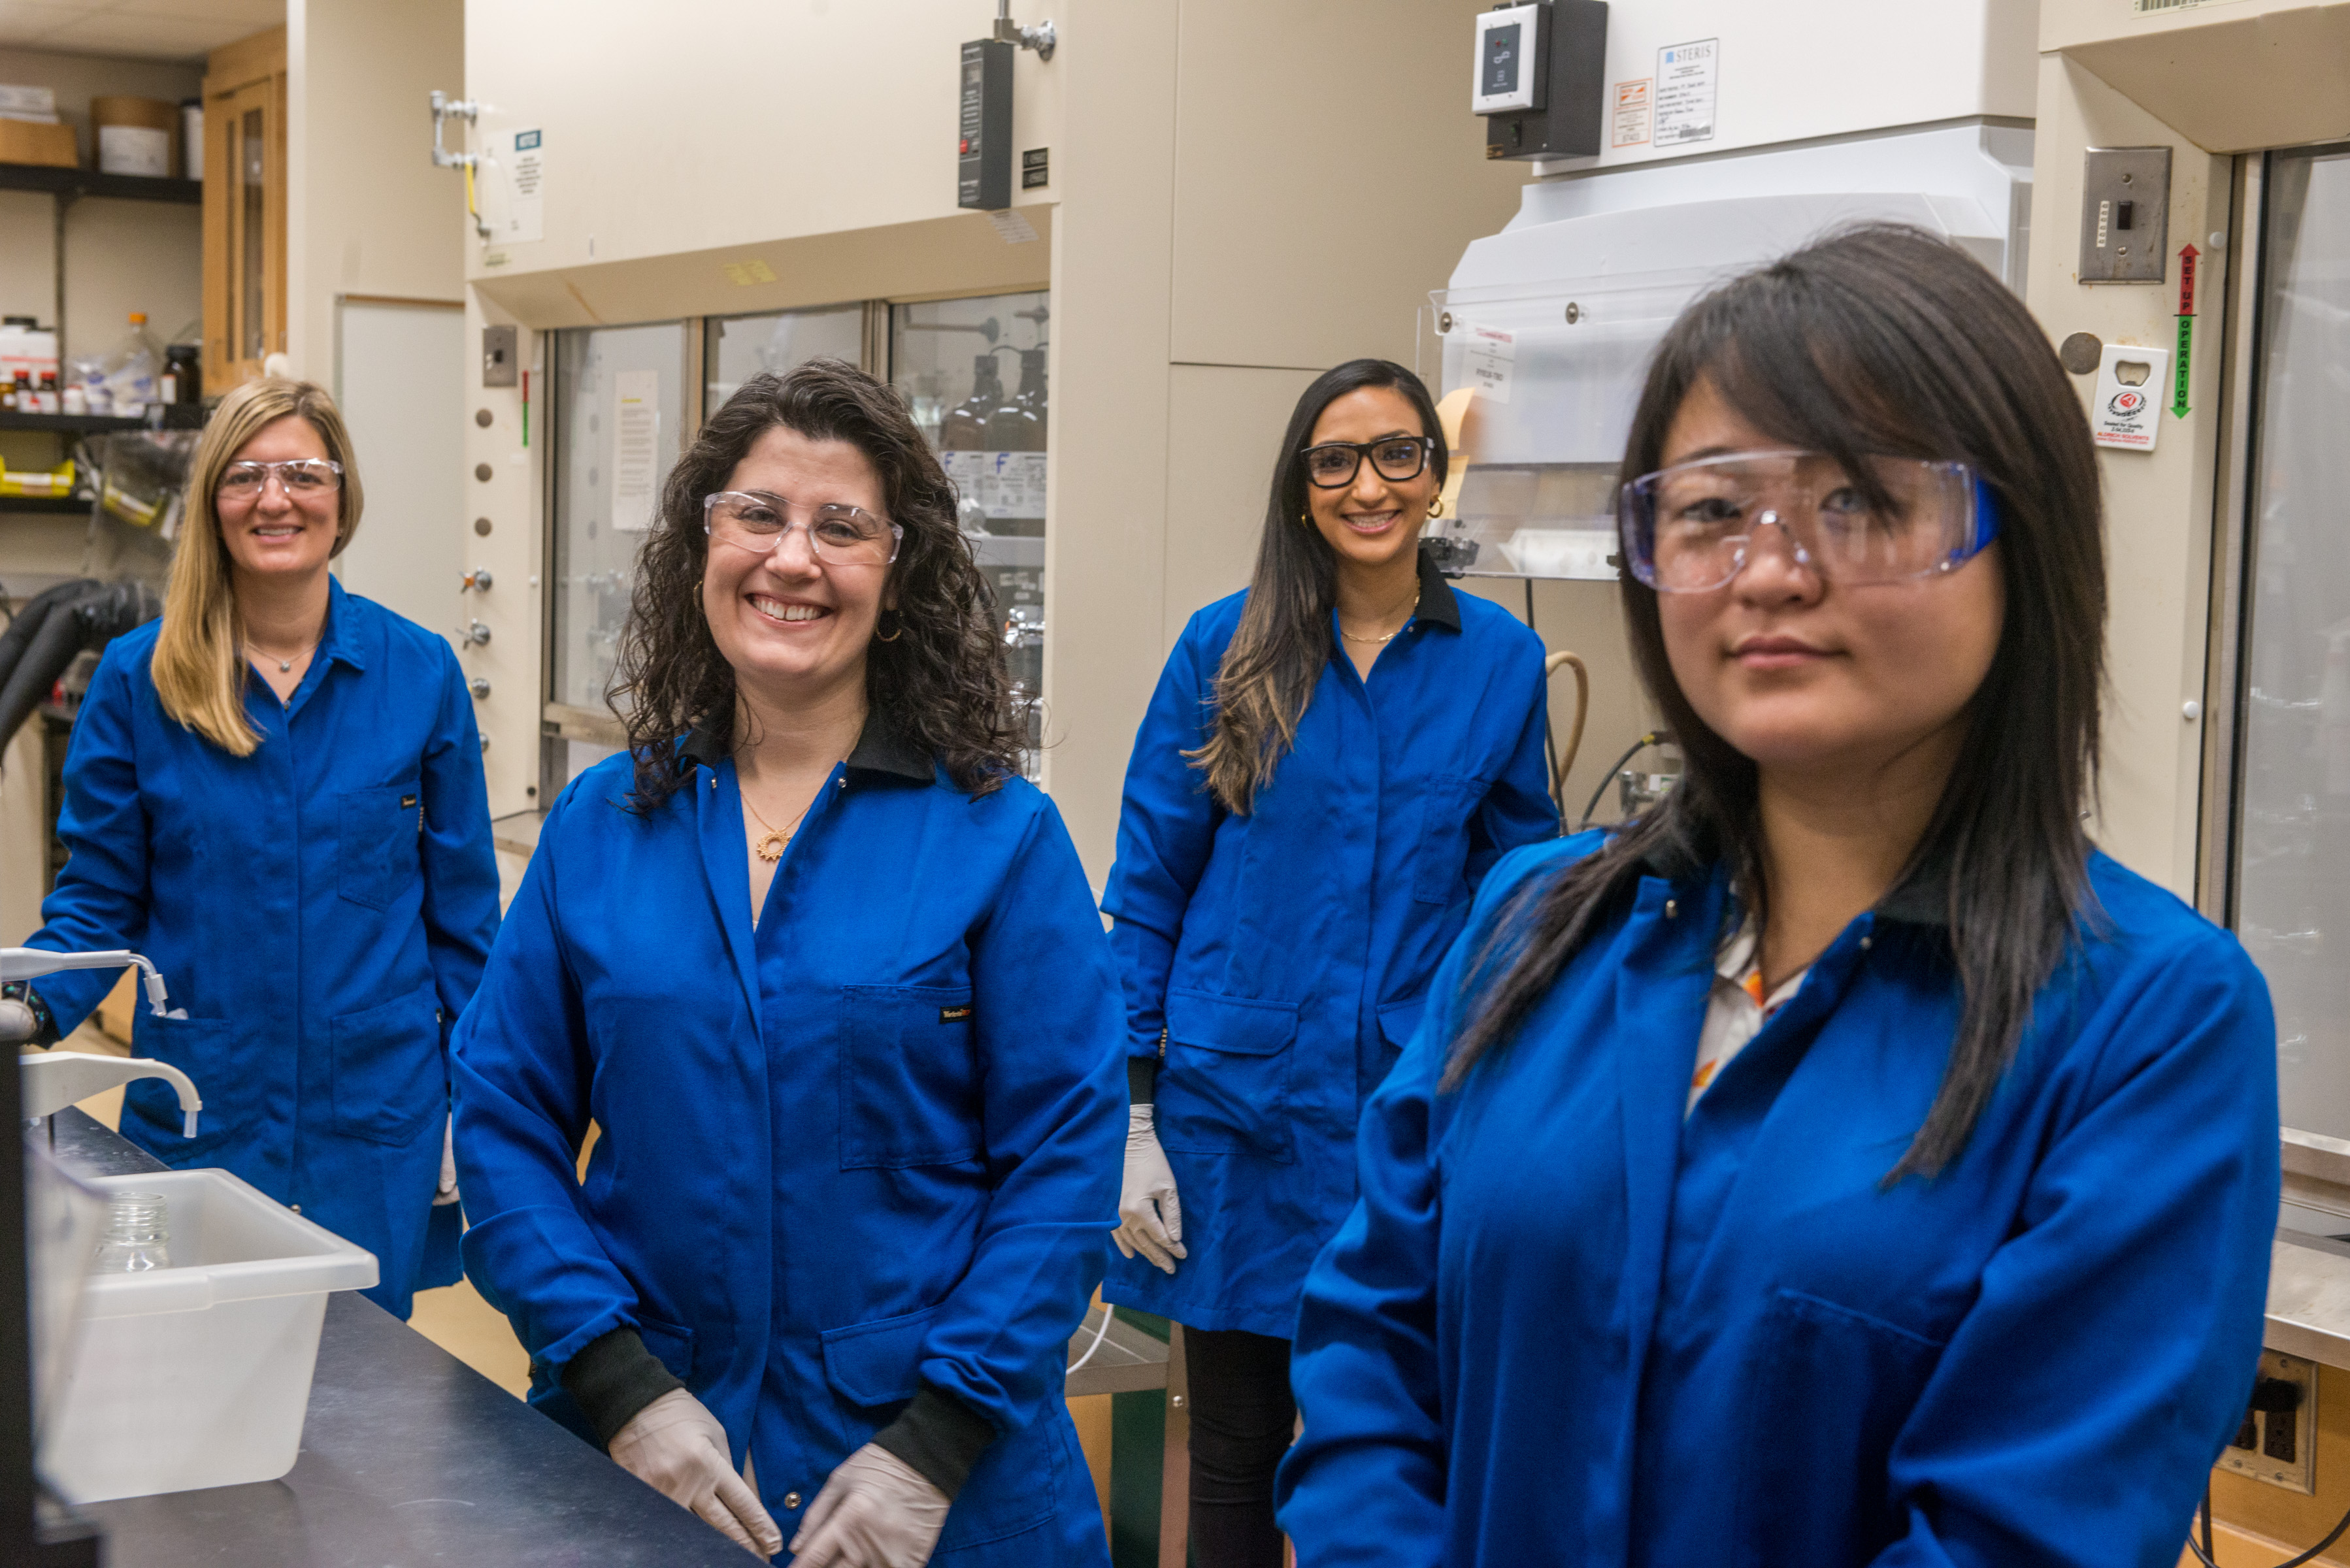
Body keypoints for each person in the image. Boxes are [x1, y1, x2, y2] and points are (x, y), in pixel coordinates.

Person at [1274, 225, 2281, 1567]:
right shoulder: (1535, 923)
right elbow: (1369, 1356)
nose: (1766, 570)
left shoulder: (2147, 1023)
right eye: (1706, 510)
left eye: (1858, 500)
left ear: (2020, 537)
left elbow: (2023, 1535)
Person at [451, 360, 1123, 1565]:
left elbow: (1065, 1165)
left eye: (842, 527)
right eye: (757, 514)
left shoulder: (997, 838)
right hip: (645, 1463)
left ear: (898, 572)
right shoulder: (605, 828)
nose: (792, 558)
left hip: (932, 1487)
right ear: (702, 543)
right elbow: (503, 1121)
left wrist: (935, 1448)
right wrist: (618, 1386)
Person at [1100, 359, 1555, 1564]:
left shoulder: (1499, 661)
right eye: (1337, 460)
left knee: (1395, 1443)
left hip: (1412, 1113)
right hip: (1237, 1113)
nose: (1370, 485)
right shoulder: (1225, 648)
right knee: (1242, 1445)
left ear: (1434, 474)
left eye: (1398, 453)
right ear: (1301, 489)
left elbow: (1525, 888)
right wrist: (1132, 1116)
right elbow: (1147, 885)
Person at [20, 377, 500, 1319]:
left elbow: (465, 919)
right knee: (191, 1375)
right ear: (213, 503)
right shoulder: (141, 679)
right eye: (245, 477)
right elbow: (100, 901)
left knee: (365, 1393)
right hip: (206, 1108)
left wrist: (475, 1102)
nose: (276, 498)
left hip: (375, 1119)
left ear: (342, 495)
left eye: (303, 473)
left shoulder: (418, 671)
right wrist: (24, 1008)